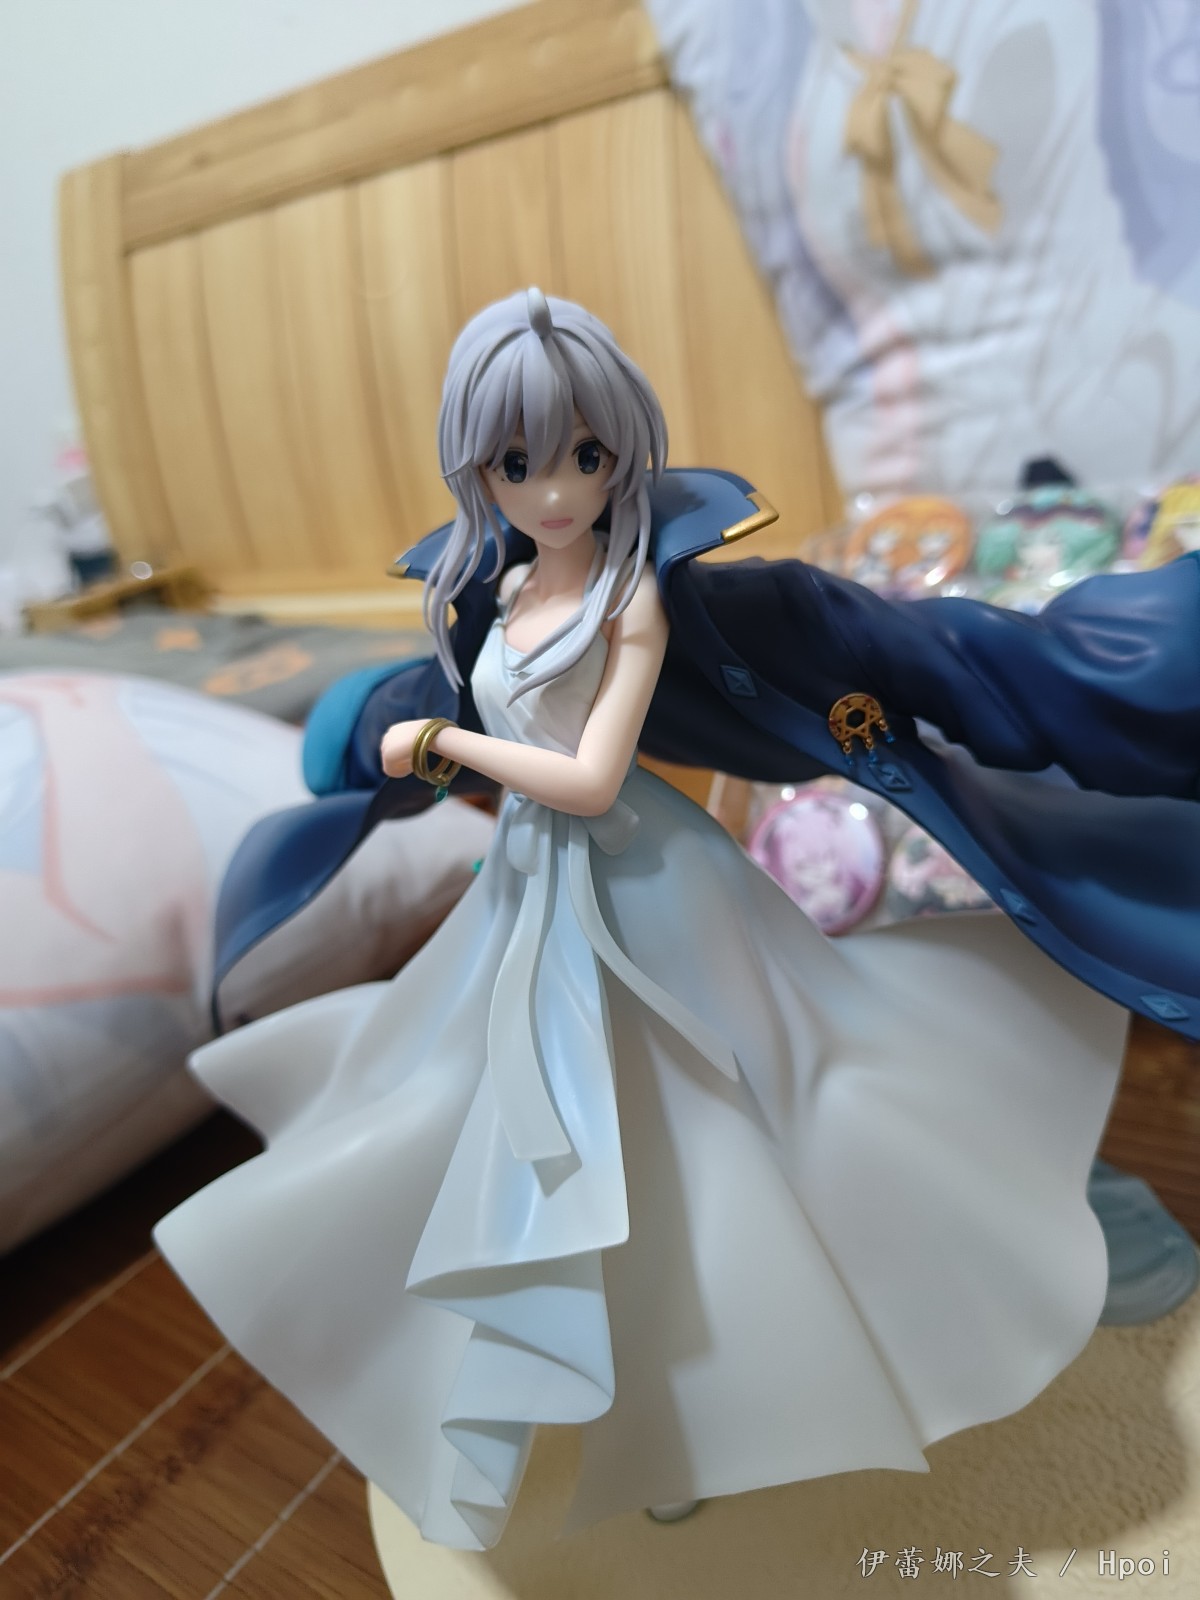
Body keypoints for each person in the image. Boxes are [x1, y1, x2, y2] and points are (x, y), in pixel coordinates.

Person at [156, 289, 1168, 1550]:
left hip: (640, 882)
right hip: (531, 886)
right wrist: (408, 737)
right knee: (498, 1126)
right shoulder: (500, 588)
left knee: (708, 1145)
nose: (557, 489)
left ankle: (702, 1415)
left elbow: (589, 777)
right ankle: (620, 1408)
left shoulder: (631, 601)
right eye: (519, 463)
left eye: (586, 455)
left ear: (622, 452)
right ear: (479, 469)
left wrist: (447, 746)